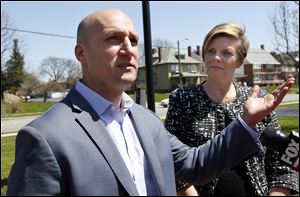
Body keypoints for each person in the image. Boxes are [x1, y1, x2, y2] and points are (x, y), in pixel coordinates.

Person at [7, 10, 295, 196]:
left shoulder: (145, 121)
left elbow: (196, 165)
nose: (129, 50)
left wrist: (247, 123)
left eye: (133, 40)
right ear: (81, 53)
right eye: (113, 39)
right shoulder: (44, 138)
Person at [165, 23, 299, 196]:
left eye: (226, 52)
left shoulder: (258, 100)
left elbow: (280, 164)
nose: (216, 57)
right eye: (210, 51)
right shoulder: (183, 99)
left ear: (239, 61)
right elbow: (172, 163)